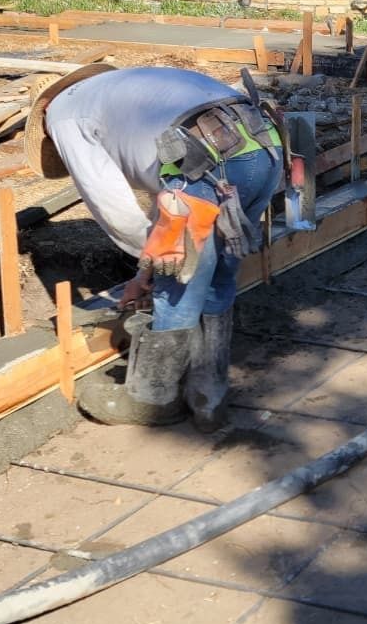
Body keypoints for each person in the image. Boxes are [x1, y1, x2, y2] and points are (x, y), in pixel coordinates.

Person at [24, 64, 284, 431]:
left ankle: (152, 398)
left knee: (175, 288)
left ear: (45, 113)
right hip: (264, 147)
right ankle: (209, 394)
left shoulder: (65, 117)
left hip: (204, 167)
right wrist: (145, 268)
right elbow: (159, 195)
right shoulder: (127, 91)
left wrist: (151, 266)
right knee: (218, 278)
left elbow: (113, 207)